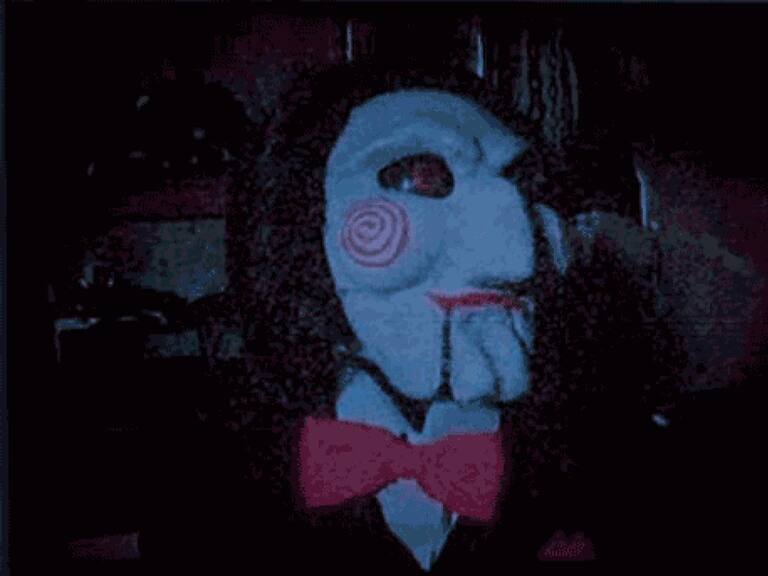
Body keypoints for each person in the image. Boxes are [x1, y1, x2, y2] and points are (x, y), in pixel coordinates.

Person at [141, 63, 688, 572]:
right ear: (297, 223)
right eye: (420, 177)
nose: (520, 253)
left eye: (525, 188)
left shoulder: (616, 469)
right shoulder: (214, 483)